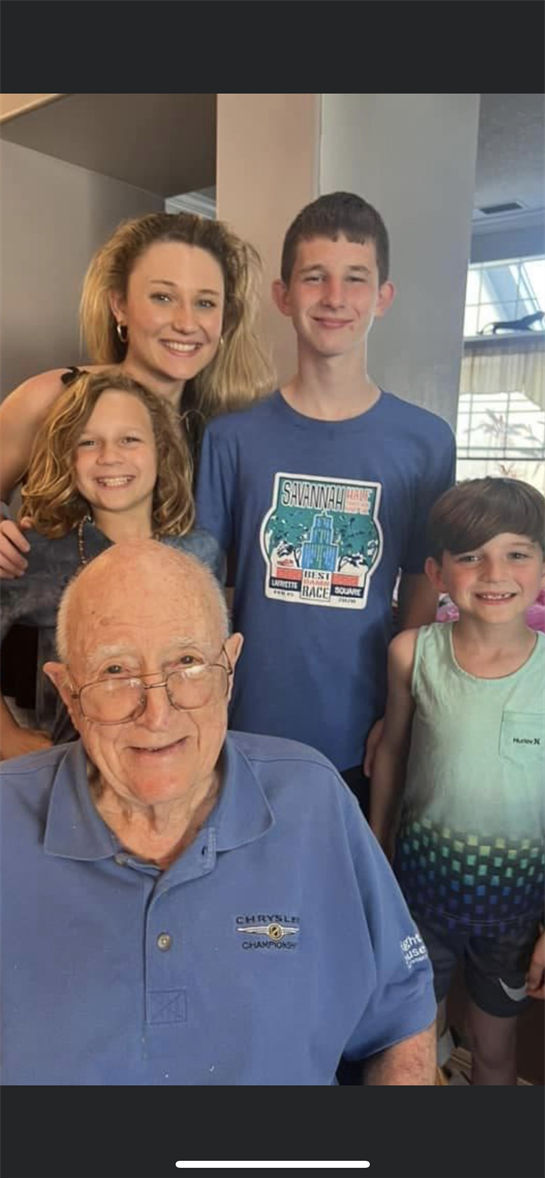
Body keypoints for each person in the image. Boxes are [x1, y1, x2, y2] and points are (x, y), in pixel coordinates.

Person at [0, 541, 436, 1086]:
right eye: (115, 671)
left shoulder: (313, 800)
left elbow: (402, 1019)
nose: (157, 714)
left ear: (228, 668)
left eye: (187, 663)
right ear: (69, 692)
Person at [195, 191, 456, 810]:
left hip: (360, 732)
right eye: (315, 278)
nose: (335, 297)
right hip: (241, 727)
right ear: (284, 296)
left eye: (355, 279)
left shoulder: (425, 442)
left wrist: (398, 710)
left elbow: (423, 583)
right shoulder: (231, 437)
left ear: (382, 298)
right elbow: (204, 588)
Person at [370, 477, 545, 1085]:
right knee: (415, 1048)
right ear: (437, 573)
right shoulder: (410, 653)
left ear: (543, 568)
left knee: (495, 1054)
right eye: (470, 555)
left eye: (517, 553)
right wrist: (377, 860)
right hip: (420, 899)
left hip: (517, 914)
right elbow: (391, 754)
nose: (494, 571)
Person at [0, 209, 274, 577]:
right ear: (120, 305)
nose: (186, 323)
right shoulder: (50, 397)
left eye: (205, 302)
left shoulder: (226, 433)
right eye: (163, 297)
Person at [0, 369, 223, 760]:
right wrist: (5, 735)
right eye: (88, 442)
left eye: (130, 439)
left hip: (177, 764)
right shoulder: (38, 555)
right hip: (67, 772)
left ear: (161, 449)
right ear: (66, 456)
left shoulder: (200, 553)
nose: (110, 457)